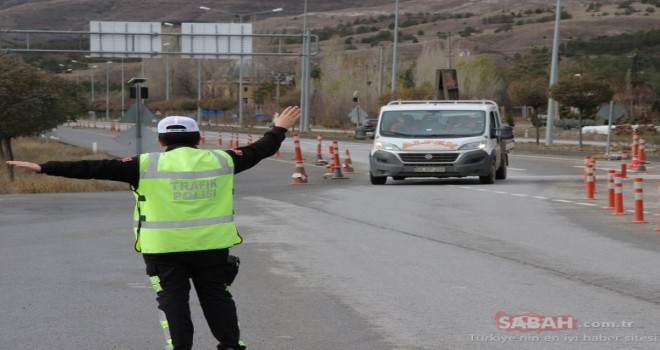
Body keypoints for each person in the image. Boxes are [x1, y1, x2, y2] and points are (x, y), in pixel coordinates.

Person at [7, 106, 301, 350]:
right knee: (217, 297)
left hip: (162, 248)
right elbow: (261, 149)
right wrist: (280, 128)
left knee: (173, 300)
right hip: (212, 246)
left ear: (160, 141)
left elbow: (92, 168)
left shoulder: (143, 164)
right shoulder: (223, 160)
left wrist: (44, 166)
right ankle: (230, 346)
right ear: (198, 138)